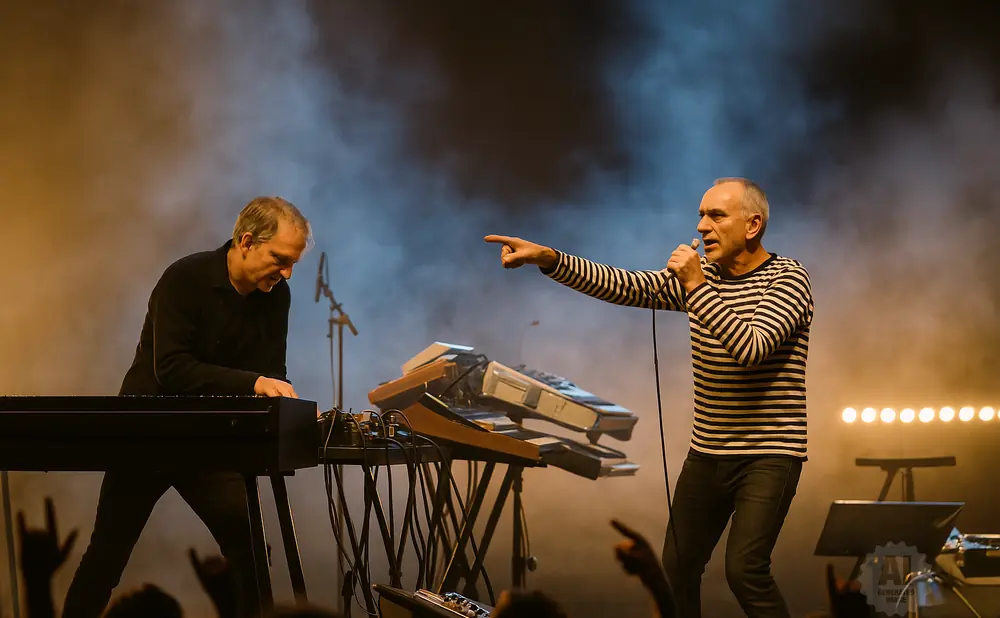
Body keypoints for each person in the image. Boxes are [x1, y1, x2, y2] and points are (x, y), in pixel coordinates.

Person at [485, 178, 813, 618]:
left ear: (753, 225)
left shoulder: (787, 278)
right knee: (676, 569)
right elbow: (624, 285)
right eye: (700, 215)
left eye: (716, 216)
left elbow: (751, 350)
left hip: (769, 454)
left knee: (744, 570)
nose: (701, 227)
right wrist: (552, 259)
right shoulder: (705, 278)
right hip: (708, 452)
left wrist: (697, 286)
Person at [62, 197, 312, 618]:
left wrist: (283, 401)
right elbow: (173, 369)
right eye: (280, 259)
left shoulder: (276, 296)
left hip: (208, 443)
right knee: (105, 558)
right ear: (246, 241)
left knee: (252, 554)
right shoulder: (184, 278)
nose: (286, 273)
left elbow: (272, 373)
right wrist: (255, 383)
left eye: (293, 263)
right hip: (146, 434)